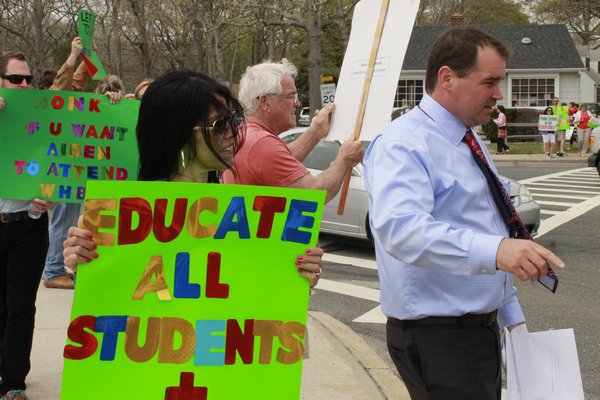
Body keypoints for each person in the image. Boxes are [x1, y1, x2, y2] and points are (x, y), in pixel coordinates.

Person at [363, 27, 565, 399]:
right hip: (439, 339)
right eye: (489, 81)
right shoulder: (404, 144)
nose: (498, 93)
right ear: (447, 78)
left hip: (472, 333)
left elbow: (484, 223)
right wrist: (499, 251)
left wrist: (512, 319)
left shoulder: (466, 139)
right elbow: (401, 230)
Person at [63, 69, 323, 287]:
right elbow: (111, 297)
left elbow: (251, 288)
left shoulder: (245, 211)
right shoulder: (119, 214)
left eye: (234, 120)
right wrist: (83, 265)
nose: (234, 132)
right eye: (220, 125)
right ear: (179, 135)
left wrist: (296, 275)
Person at [221, 60, 363, 203]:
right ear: (265, 102)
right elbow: (314, 196)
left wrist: (317, 130)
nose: (297, 103)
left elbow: (280, 160)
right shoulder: (262, 144)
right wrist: (344, 160)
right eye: (291, 96)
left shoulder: (246, 135)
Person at [0, 51, 52, 400]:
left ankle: (13, 382)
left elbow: (60, 160)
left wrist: (49, 196)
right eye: (16, 79)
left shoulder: (41, 116)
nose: (24, 85)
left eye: (28, 79)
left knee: (21, 307)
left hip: (29, 227)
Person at [42, 37, 91, 290]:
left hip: (73, 167)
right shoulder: (54, 102)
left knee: (68, 216)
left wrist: (88, 56)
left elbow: (78, 81)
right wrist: (73, 55)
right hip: (60, 168)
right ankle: (52, 270)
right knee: (61, 219)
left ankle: (56, 268)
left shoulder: (73, 99)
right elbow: (61, 88)